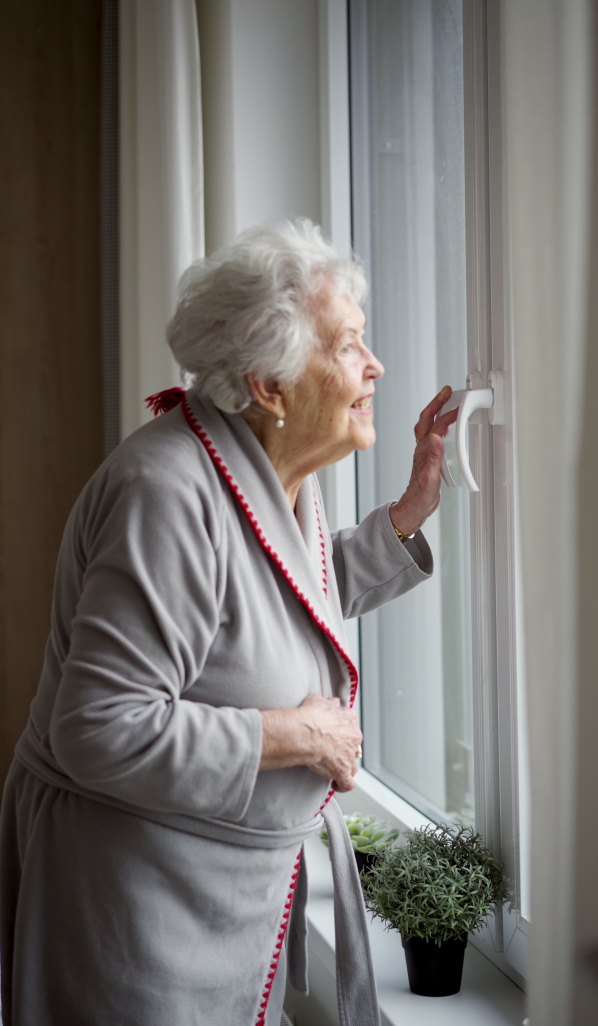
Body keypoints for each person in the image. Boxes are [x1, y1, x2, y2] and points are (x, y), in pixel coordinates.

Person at [0, 219, 457, 1026]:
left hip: (217, 898)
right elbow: (98, 727)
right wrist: (297, 736)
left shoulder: (270, 469)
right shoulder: (167, 493)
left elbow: (268, 609)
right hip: (137, 907)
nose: (374, 364)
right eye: (348, 344)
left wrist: (404, 519)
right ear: (271, 386)